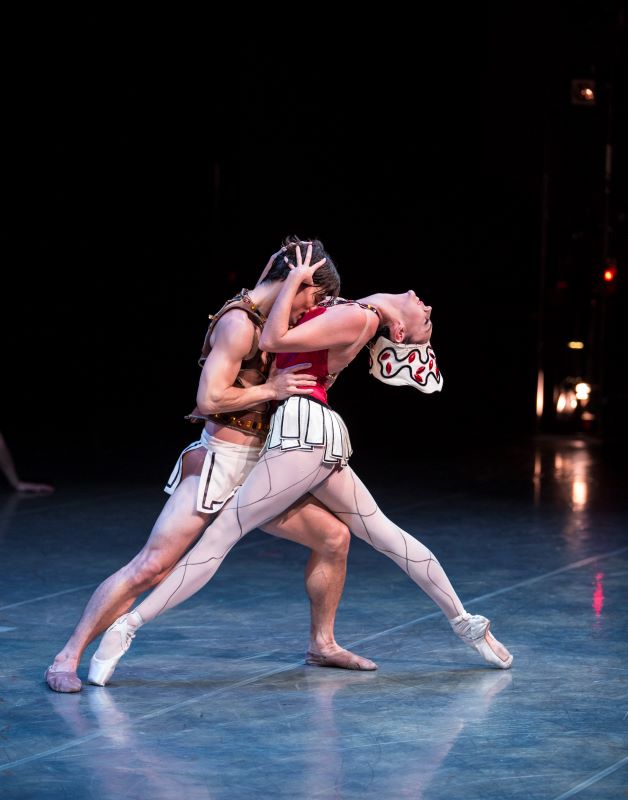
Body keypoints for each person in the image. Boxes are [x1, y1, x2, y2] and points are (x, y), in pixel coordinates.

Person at [89, 242, 513, 687]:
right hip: (312, 430)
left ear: (401, 333)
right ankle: (465, 623)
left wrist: (292, 280)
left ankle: (127, 626)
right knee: (385, 534)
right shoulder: (354, 309)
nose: (427, 307)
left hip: (303, 430)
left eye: (425, 320)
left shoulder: (361, 317)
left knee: (221, 535)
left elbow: (272, 339)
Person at [45, 239, 376, 694]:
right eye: (312, 298)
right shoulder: (239, 324)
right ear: (295, 284)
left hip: (261, 467)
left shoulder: (274, 318)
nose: (309, 311)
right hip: (222, 462)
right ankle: (67, 656)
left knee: (334, 537)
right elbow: (208, 400)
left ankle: (322, 643)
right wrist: (272, 389)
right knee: (152, 567)